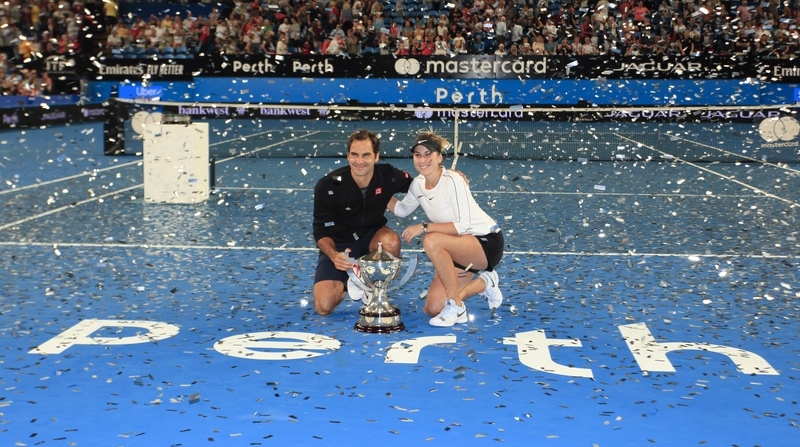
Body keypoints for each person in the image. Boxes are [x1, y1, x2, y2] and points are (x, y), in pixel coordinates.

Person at [388, 131, 504, 327]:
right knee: (433, 308)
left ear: (439, 157)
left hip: (485, 242)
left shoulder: (453, 180)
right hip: (458, 249)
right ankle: (485, 283)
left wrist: (424, 227)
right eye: (418, 154)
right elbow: (400, 210)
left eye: (428, 154)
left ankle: (456, 308)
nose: (422, 159)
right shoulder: (417, 185)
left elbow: (463, 225)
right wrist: (374, 190)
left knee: (431, 239)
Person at [312, 130, 414, 316]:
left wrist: (448, 177)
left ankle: (372, 286)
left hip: (371, 238)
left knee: (390, 242)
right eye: (354, 154)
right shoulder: (327, 186)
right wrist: (335, 256)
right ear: (348, 155)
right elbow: (320, 232)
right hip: (341, 245)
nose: (359, 161)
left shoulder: (388, 175)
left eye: (366, 155)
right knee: (324, 306)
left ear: (376, 156)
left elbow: (420, 185)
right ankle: (354, 277)